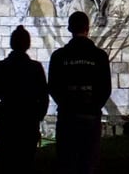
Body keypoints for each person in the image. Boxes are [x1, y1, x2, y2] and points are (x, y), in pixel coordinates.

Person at [48, 11, 111, 174]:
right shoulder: (100, 56)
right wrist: (93, 106)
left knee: (67, 162)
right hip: (90, 117)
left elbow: (53, 87)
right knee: (88, 163)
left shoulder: (59, 56)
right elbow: (105, 88)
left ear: (69, 28)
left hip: (67, 116)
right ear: (87, 29)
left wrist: (66, 103)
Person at [0, 24, 49, 174]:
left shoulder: (1, 67)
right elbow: (44, 98)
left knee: (6, 164)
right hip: (28, 123)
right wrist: (36, 117)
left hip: (7, 123)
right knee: (25, 163)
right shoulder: (35, 68)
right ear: (28, 44)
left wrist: (3, 111)